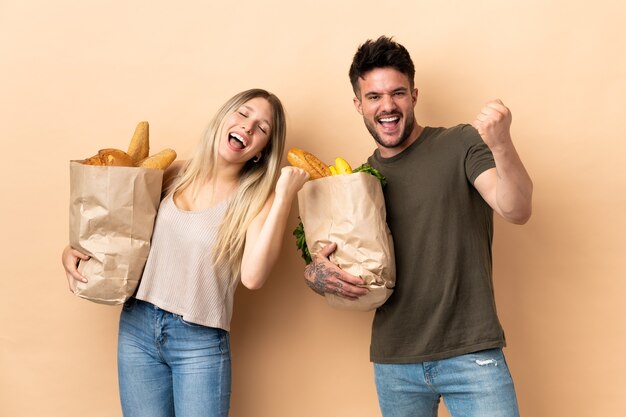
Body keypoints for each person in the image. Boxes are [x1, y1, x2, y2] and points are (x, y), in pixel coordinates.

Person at [303, 36, 533, 417]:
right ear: (358, 105)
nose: (387, 106)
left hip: (471, 353)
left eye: (397, 93)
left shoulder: (460, 143)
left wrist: (502, 144)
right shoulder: (359, 182)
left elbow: (516, 209)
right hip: (395, 362)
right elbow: (326, 258)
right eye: (374, 96)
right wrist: (315, 274)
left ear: (414, 95)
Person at [62, 88, 309, 417]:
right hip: (137, 327)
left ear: (261, 152)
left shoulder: (255, 201)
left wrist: (283, 197)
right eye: (243, 114)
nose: (248, 127)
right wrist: (72, 248)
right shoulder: (173, 173)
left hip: (199, 341)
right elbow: (114, 223)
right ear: (224, 118)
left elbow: (253, 277)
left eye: (262, 128)